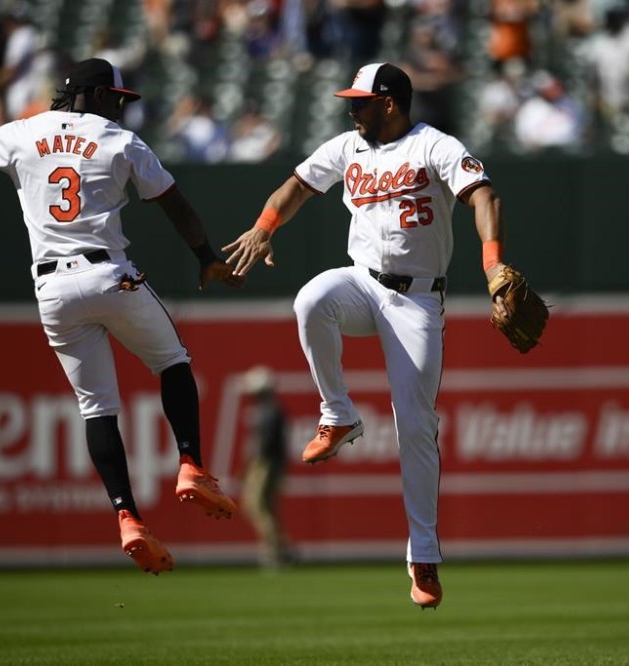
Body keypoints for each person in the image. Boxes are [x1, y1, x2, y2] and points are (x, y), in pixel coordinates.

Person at [0, 57, 242, 575]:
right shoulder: (120, 141)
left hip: (52, 289)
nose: (120, 107)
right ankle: (191, 465)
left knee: (97, 409)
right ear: (94, 96)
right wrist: (206, 256)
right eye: (116, 98)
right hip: (107, 273)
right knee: (173, 362)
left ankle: (127, 518)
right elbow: (175, 205)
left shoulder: (22, 132)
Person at [223, 62, 517, 610]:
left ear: (389, 103)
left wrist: (494, 266)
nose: (350, 108)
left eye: (359, 101)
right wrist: (265, 227)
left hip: (417, 299)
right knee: (310, 298)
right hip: (363, 283)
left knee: (416, 427)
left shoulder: (434, 146)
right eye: (350, 101)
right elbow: (297, 185)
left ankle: (423, 556)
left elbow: (484, 196)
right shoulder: (346, 147)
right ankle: (338, 413)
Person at [239, 366, 293, 569]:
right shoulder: (268, 409)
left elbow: (264, 445)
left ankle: (276, 550)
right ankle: (279, 548)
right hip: (268, 464)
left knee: (258, 506)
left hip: (265, 464)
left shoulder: (270, 410)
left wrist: (249, 467)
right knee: (265, 507)